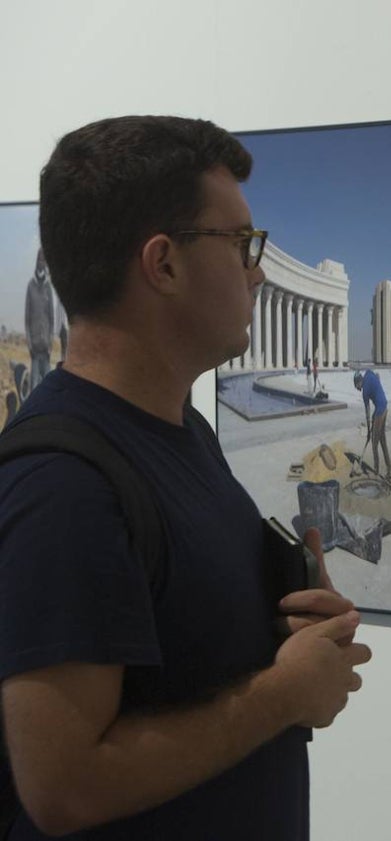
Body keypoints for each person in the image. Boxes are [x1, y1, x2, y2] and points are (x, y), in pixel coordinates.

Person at [0, 116, 371, 840]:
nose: (257, 269)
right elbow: (63, 786)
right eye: (241, 244)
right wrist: (282, 694)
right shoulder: (63, 483)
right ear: (163, 264)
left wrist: (286, 632)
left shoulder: (178, 428)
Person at [353, 369, 391, 481]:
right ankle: (389, 470)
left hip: (379, 410)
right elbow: (377, 375)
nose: (359, 389)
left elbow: (367, 412)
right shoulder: (369, 374)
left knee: (374, 443)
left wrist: (369, 430)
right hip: (384, 406)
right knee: (383, 441)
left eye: (357, 387)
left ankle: (376, 471)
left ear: (359, 382)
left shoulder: (365, 391)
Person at [24, 247, 54, 390]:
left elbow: (52, 319)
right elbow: (26, 320)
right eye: (40, 259)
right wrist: (30, 346)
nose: (42, 263)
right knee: (34, 390)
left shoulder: (48, 288)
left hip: (46, 350)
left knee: (49, 390)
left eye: (44, 260)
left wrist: (50, 345)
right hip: (35, 351)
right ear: (36, 262)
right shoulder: (30, 286)